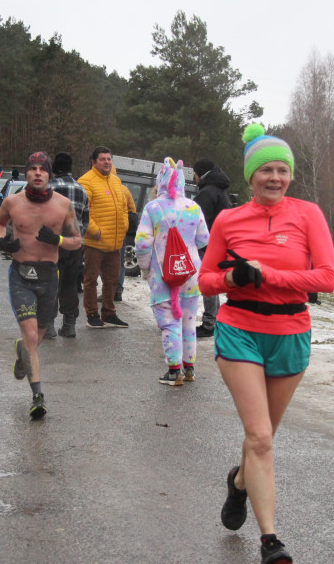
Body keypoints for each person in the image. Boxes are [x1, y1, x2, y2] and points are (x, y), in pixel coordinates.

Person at [199, 124, 334, 564]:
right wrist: (234, 277)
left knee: (262, 438)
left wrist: (269, 276)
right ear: (251, 176)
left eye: (282, 170)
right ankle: (270, 540)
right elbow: (205, 280)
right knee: (259, 437)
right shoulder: (228, 219)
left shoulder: (308, 215)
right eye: (266, 170)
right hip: (240, 328)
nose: (275, 178)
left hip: (290, 333)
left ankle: (240, 482)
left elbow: (328, 278)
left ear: (290, 176)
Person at [0, 151, 82, 419]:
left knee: (37, 337)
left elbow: (77, 240)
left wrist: (57, 240)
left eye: (43, 169)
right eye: (33, 168)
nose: (38, 173)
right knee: (32, 336)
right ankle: (38, 396)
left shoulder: (64, 205)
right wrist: (2, 241)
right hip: (21, 276)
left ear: (50, 175)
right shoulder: (12, 202)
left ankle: (23, 352)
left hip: (48, 277)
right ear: (27, 173)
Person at [134, 158, 209, 385]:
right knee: (188, 322)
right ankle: (189, 368)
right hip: (190, 273)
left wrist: (146, 268)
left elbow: (142, 244)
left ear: (161, 180)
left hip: (162, 276)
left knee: (169, 323)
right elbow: (204, 239)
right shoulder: (194, 207)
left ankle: (174, 370)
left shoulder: (153, 208)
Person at [78, 146, 130, 328]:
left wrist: (124, 226)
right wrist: (95, 231)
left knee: (112, 279)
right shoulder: (86, 181)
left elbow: (124, 206)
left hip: (115, 242)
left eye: (109, 159)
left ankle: (108, 313)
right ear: (94, 162)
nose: (107, 162)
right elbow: (82, 210)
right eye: (103, 159)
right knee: (91, 280)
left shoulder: (116, 181)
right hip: (95, 242)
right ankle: (92, 314)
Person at [48, 152, 89, 339]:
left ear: (54, 169)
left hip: (52, 244)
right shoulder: (81, 190)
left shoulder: (49, 187)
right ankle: (69, 325)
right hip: (74, 246)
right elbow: (86, 220)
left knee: (50, 283)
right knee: (70, 284)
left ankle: (48, 325)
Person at [191, 157, 231, 338]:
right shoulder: (218, 189)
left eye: (194, 174)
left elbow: (198, 221)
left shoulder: (207, 192)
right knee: (211, 283)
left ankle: (209, 323)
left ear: (199, 174)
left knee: (207, 283)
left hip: (207, 244)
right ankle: (213, 320)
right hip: (218, 242)